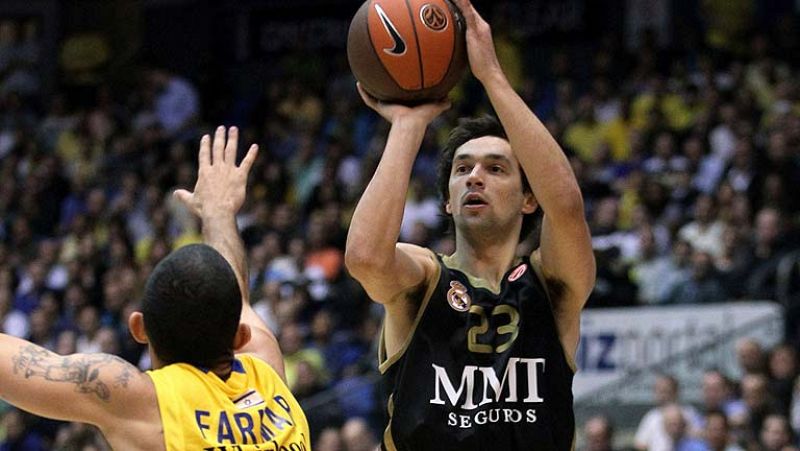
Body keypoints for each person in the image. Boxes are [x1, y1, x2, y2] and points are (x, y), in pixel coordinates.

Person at [344, 0, 595, 449]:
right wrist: (407, 123)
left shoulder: (552, 284)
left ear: (529, 198)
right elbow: (365, 257)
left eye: (496, 168)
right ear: (446, 202)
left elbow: (568, 207)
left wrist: (493, 77)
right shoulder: (423, 279)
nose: (475, 176)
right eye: (462, 169)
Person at [0, 126, 310, 449]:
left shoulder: (143, 404)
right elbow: (235, 295)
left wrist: (217, 213)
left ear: (139, 327)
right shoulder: (266, 369)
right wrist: (219, 212)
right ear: (240, 335)